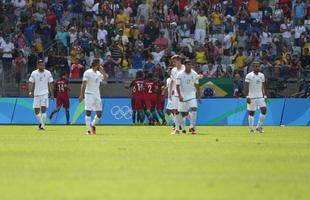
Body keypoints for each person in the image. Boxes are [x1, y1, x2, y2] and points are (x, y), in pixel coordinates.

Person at [79, 59, 108, 135]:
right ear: (96, 64)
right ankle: (88, 130)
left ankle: (92, 124)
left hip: (97, 95)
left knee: (99, 114)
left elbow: (105, 78)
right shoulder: (87, 72)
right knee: (88, 112)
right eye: (99, 64)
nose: (100, 65)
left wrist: (103, 70)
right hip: (88, 94)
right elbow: (83, 84)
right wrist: (81, 95)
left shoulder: (98, 73)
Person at [176, 59, 201, 135]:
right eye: (189, 64)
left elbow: (197, 85)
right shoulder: (180, 74)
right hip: (183, 96)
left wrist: (199, 96)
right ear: (185, 65)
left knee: (194, 108)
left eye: (191, 64)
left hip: (192, 95)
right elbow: (177, 86)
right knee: (184, 113)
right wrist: (179, 95)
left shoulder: (194, 74)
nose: (190, 66)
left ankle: (192, 127)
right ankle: (186, 128)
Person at [28, 60, 54, 131]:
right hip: (36, 94)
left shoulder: (48, 73)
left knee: (44, 110)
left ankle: (42, 126)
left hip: (45, 94)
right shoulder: (34, 73)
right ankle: (41, 122)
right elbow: (30, 82)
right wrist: (30, 91)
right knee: (36, 111)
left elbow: (51, 83)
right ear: (37, 65)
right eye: (41, 65)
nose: (42, 66)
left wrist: (52, 94)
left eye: (43, 65)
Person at [244, 61, 267, 134]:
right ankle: (251, 128)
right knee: (252, 113)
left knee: (264, 110)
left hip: (260, 96)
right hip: (252, 97)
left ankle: (259, 127)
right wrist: (247, 96)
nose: (257, 68)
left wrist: (265, 95)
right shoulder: (249, 76)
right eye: (255, 66)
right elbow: (246, 87)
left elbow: (263, 86)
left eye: (258, 66)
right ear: (253, 67)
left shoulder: (262, 75)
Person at [169, 55, 185, 134]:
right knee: (175, 110)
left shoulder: (185, 68)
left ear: (179, 60)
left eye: (174, 61)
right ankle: (177, 129)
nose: (173, 63)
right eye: (173, 62)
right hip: (175, 92)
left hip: (184, 93)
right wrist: (171, 91)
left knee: (184, 111)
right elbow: (173, 81)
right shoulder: (173, 70)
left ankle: (192, 125)